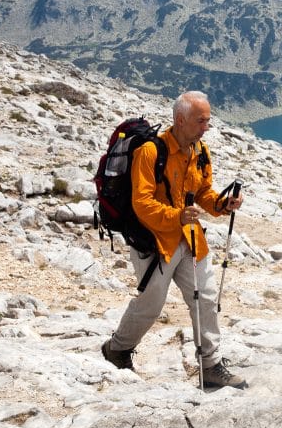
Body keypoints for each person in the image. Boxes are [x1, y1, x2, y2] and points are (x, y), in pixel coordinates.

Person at [101, 91, 247, 390]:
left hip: (190, 238)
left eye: (208, 120)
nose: (206, 127)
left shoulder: (200, 151)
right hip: (154, 242)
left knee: (205, 298)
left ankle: (211, 365)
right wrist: (178, 217)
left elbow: (203, 192)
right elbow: (142, 204)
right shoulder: (150, 153)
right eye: (200, 121)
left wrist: (222, 204)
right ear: (180, 120)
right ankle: (117, 349)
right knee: (151, 305)